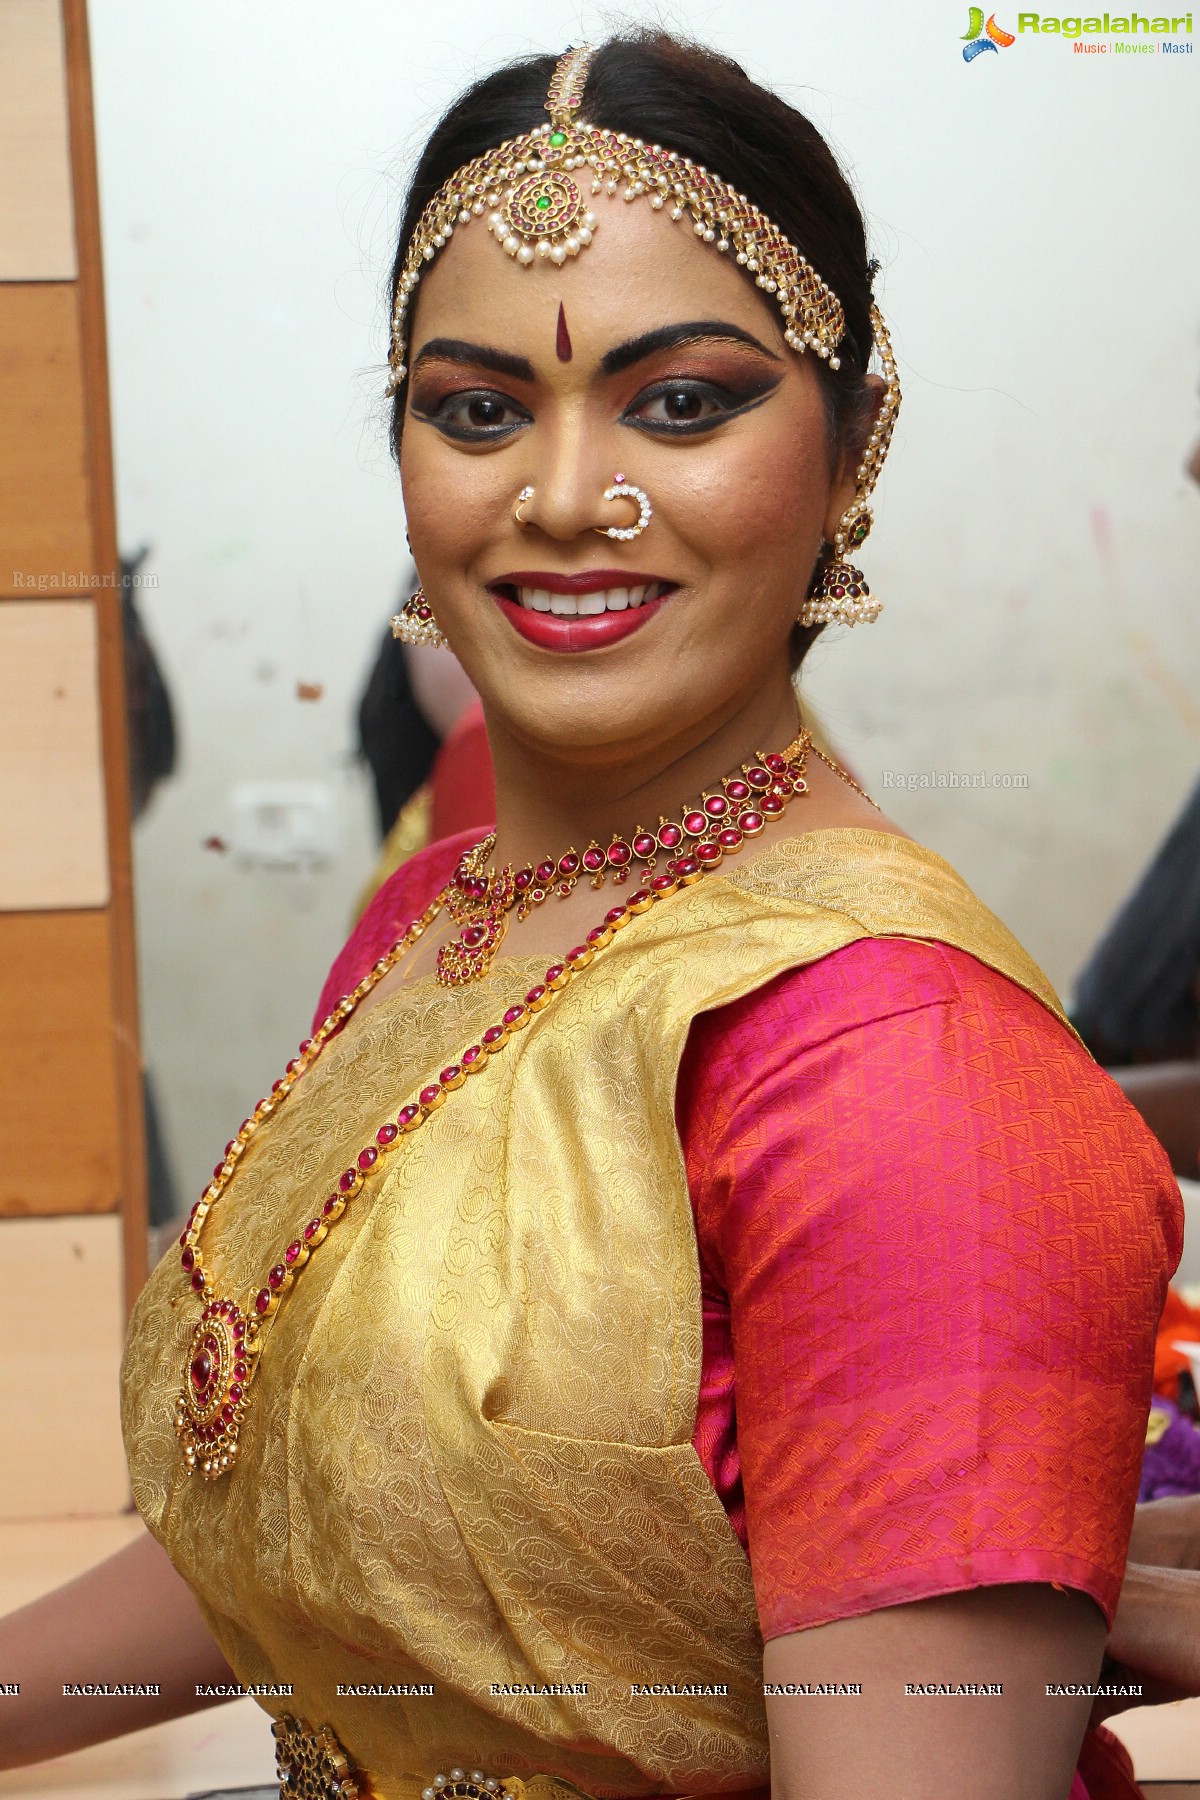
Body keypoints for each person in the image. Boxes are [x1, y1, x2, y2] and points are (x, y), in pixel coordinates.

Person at [0, 34, 1186, 1800]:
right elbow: (353, 1509)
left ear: (854, 443)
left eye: (683, 401)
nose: (563, 497)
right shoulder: (436, 918)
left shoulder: (904, 1078)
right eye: (477, 408)